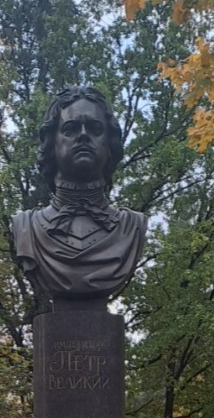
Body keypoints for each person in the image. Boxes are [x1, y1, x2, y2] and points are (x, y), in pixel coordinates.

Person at [11, 86, 147, 309]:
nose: (83, 135)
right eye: (70, 129)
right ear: (51, 143)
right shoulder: (26, 228)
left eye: (95, 128)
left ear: (109, 144)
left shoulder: (132, 227)